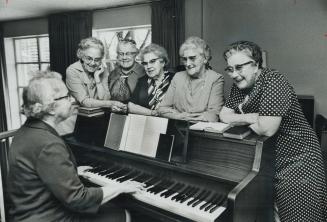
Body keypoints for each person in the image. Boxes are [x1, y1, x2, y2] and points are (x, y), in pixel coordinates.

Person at [7, 71, 144, 222]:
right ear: (51, 108)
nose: (72, 100)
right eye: (66, 97)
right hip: (50, 217)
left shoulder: (26, 132)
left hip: (28, 215)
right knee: (121, 214)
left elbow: (44, 172)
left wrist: (72, 172)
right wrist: (120, 187)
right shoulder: (48, 144)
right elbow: (79, 199)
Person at [219, 40, 327, 222]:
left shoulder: (274, 80)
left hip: (298, 160)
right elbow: (223, 115)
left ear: (256, 65)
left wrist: (249, 120)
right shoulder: (240, 85)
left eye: (239, 67)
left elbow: (267, 128)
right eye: (230, 69)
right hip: (268, 162)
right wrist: (254, 117)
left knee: (299, 217)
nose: (234, 75)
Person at [158, 36, 224, 122]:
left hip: (202, 132)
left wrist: (175, 114)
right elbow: (162, 109)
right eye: (185, 59)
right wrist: (179, 116)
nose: (188, 63)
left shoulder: (215, 79)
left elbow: (213, 115)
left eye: (192, 58)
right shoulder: (178, 77)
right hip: (178, 129)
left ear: (205, 58)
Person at [66, 37, 126, 112]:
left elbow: (105, 99)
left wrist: (97, 78)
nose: (93, 63)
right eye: (89, 58)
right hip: (78, 116)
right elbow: (85, 102)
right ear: (81, 55)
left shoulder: (103, 71)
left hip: (99, 113)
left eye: (97, 59)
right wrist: (112, 103)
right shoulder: (72, 71)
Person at [128, 43, 174, 116]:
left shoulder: (174, 79)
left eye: (152, 61)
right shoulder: (142, 81)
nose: (148, 66)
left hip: (170, 123)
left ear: (163, 62)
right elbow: (131, 106)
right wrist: (152, 113)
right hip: (148, 123)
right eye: (145, 63)